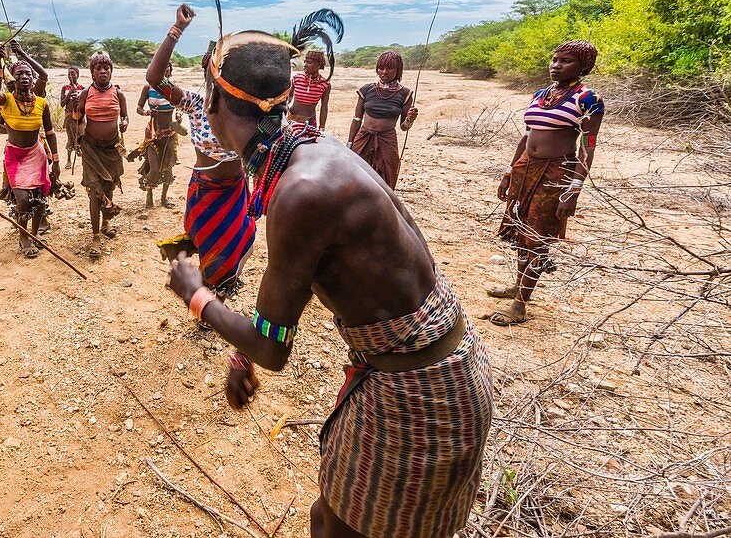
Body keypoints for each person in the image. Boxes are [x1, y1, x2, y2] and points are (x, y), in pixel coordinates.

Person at [166, 30, 492, 538]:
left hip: (420, 396)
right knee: (328, 518)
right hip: (430, 366)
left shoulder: (301, 192)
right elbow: (285, 289)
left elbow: (274, 348)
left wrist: (196, 293)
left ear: (211, 102)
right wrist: (240, 355)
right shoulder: (311, 149)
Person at [488, 39, 604, 326]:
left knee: (538, 236)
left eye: (566, 61)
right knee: (520, 228)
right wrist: (509, 172)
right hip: (526, 169)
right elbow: (526, 137)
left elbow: (587, 149)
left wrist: (573, 190)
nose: (556, 65)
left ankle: (521, 304)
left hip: (555, 174)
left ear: (583, 66)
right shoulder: (540, 94)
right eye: (554, 60)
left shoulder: (589, 99)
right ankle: (519, 285)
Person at [147, 6, 255, 297]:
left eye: (224, 70)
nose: (217, 75)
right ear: (205, 70)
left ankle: (218, 291)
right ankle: (206, 296)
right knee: (208, 244)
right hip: (205, 191)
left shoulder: (244, 108)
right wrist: (176, 30)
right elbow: (154, 78)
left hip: (235, 190)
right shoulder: (195, 104)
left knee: (235, 243)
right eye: (213, 67)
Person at [0, 49, 61, 258]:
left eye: (28, 74)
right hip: (16, 157)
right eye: (19, 74)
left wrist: (55, 161)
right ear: (13, 78)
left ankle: (35, 233)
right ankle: (23, 236)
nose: (24, 77)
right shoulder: (7, 100)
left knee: (40, 198)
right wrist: (0, 63)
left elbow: (50, 132)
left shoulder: (41, 103)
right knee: (22, 200)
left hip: (36, 154)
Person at [72, 52, 127, 258]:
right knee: (96, 192)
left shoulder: (118, 94)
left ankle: (106, 224)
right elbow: (78, 118)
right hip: (91, 149)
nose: (103, 71)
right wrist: (75, 106)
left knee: (109, 185)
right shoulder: (86, 93)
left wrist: (125, 123)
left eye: (106, 68)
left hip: (112, 149)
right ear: (92, 72)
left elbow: (125, 117)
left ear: (111, 70)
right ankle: (95, 237)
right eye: (98, 68)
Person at [346, 51, 418, 189]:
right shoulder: (367, 90)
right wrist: (350, 143)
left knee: (387, 175)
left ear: (398, 70)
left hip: (387, 139)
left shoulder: (405, 94)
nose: (384, 72)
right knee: (354, 172)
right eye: (381, 68)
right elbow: (357, 119)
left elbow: (403, 127)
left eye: (389, 68)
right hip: (363, 137)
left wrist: (410, 119)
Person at [132, 61, 179, 209]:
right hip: (153, 133)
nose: (165, 70)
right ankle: (149, 194)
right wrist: (147, 112)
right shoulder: (148, 88)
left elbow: (180, 106)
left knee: (169, 167)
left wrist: (178, 116)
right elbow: (139, 108)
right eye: (162, 67)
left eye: (167, 68)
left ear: (170, 71)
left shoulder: (173, 88)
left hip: (170, 133)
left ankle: (164, 198)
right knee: (153, 168)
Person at [59, 67, 84, 170]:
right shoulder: (65, 88)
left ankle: (84, 159)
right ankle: (69, 160)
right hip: (69, 116)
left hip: (80, 116)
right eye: (69, 74)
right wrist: (70, 93)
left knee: (82, 137)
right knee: (70, 138)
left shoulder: (83, 88)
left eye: (73, 74)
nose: (71, 76)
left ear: (77, 75)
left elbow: (85, 104)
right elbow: (62, 104)